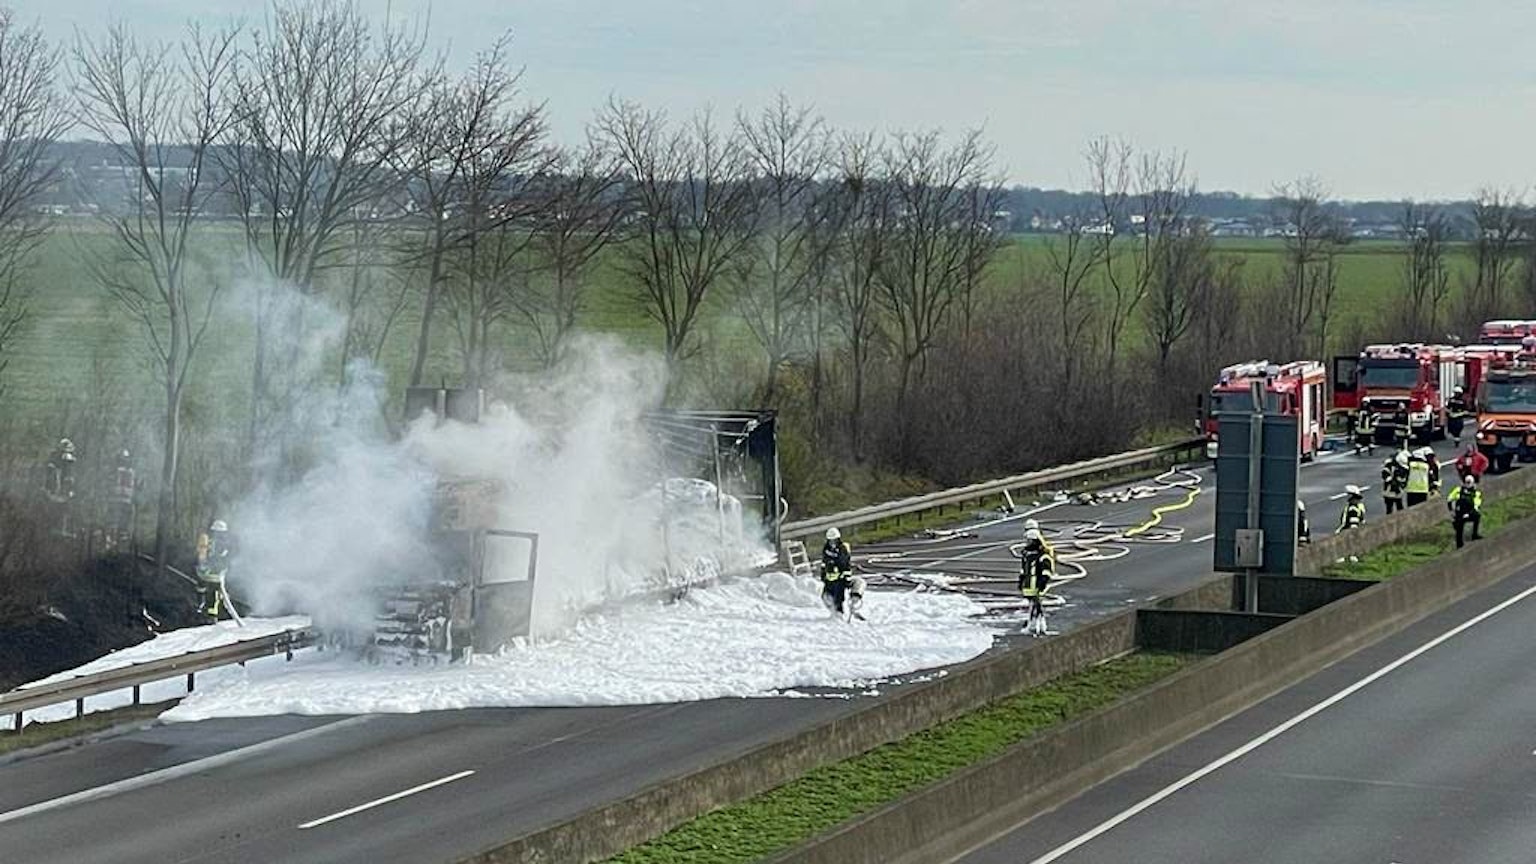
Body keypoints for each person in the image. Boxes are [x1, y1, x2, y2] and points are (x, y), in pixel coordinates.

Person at [1016, 524, 1055, 637]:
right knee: (1033, 604)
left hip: (1036, 584)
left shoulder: (1042, 556)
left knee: (1036, 604)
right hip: (1029, 584)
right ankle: (1034, 623)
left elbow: (1046, 572)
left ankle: (1038, 624)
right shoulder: (1026, 555)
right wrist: (1021, 580)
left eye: (1029, 541)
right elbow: (1024, 569)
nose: (1027, 543)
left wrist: (1042, 582)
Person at [195, 519, 232, 622]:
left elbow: (201, 554)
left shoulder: (207, 539)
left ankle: (202, 607)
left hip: (209, 572)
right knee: (214, 594)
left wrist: (202, 566)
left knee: (205, 589)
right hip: (215, 573)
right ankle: (211, 616)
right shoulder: (222, 543)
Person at [820, 527, 854, 619]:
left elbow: (846, 565)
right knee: (826, 596)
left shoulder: (842, 549)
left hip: (840, 579)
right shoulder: (826, 549)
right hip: (829, 579)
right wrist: (823, 574)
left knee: (838, 599)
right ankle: (832, 611)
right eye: (830, 541)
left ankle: (839, 614)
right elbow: (824, 562)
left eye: (834, 541)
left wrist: (847, 579)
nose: (832, 543)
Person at [106, 449, 136, 552]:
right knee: (119, 525)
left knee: (119, 525)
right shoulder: (130, 471)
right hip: (123, 501)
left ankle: (115, 547)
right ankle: (115, 547)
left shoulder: (116, 470)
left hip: (119, 501)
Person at [1447, 474, 1483, 549]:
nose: (1468, 484)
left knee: (1477, 516)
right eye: (1467, 482)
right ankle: (1459, 545)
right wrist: (1451, 511)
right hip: (1459, 514)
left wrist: (1468, 514)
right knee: (1459, 527)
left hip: (1469, 513)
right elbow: (1449, 499)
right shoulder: (1458, 490)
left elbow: (1476, 506)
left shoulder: (1476, 493)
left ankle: (1474, 534)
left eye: (1469, 482)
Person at [1380, 450, 1409, 514]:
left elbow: (1404, 480)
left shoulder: (1404, 469)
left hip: (1398, 493)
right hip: (1389, 492)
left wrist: (1402, 485)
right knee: (1389, 510)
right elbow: (1385, 475)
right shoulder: (1389, 466)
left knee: (1400, 509)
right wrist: (1394, 484)